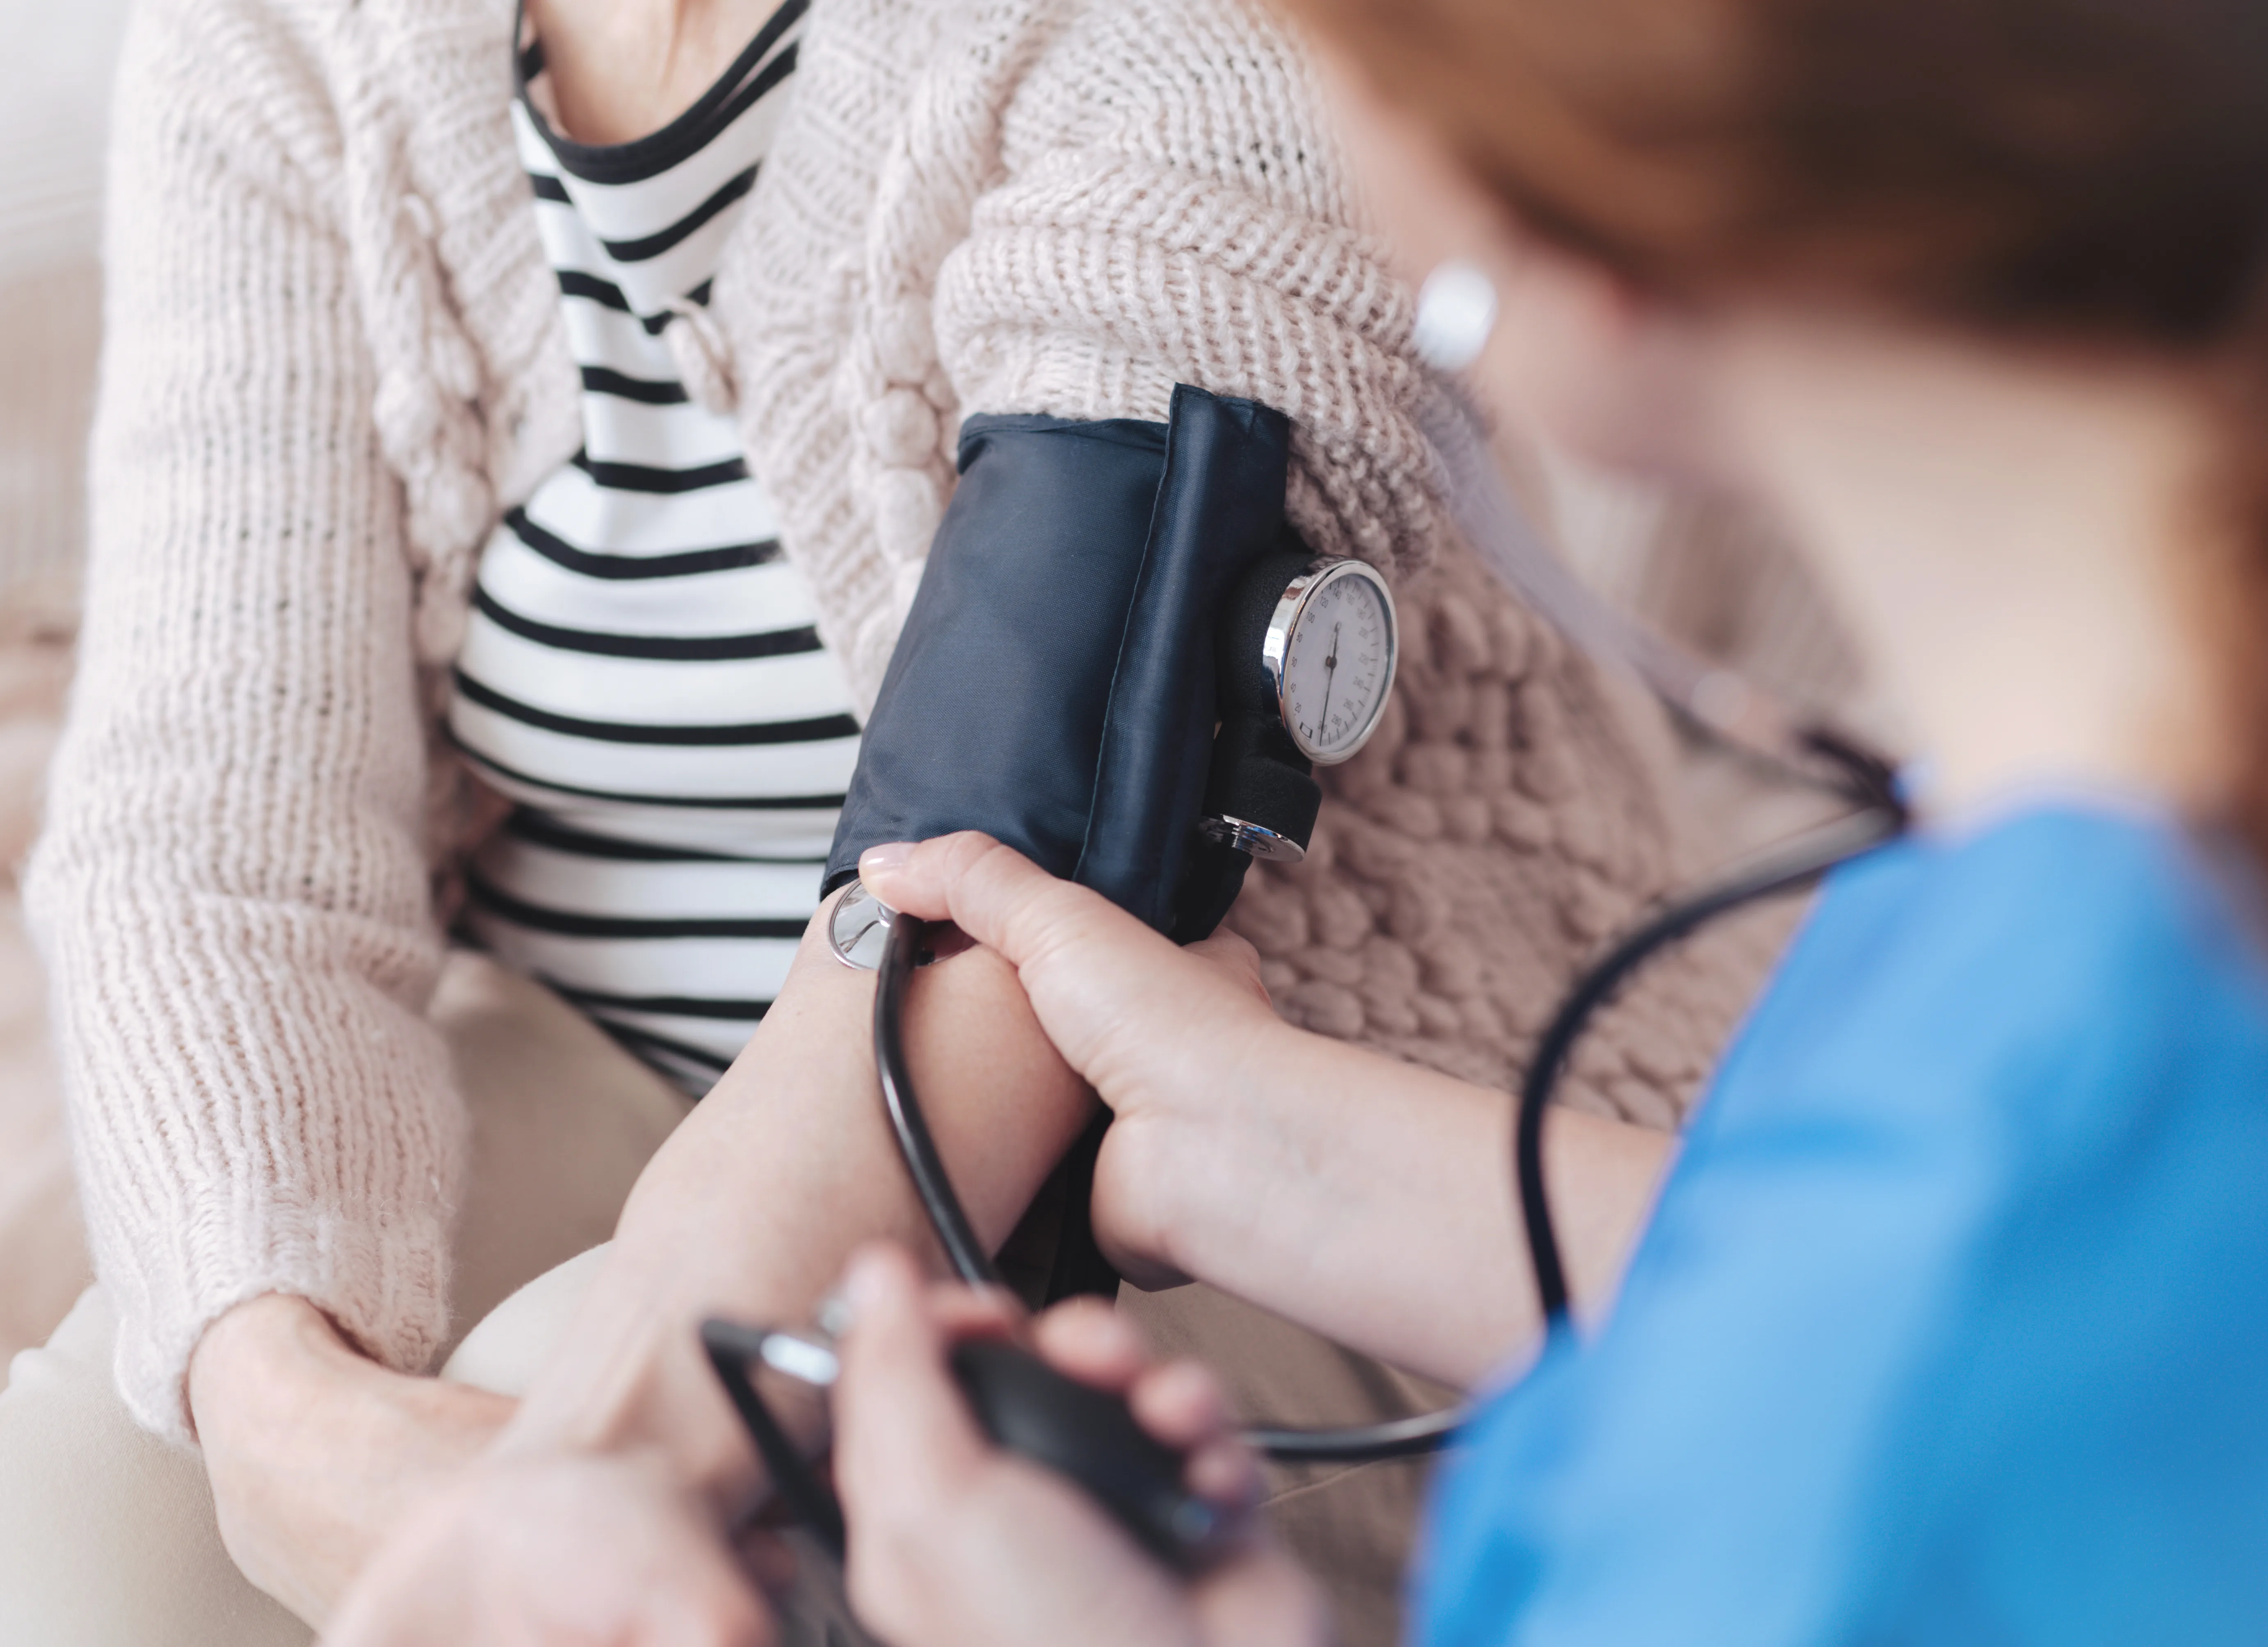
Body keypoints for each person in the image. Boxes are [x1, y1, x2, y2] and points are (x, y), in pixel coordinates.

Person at [334, 0, 2268, 1637]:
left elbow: (1948, 1368)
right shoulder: (2140, 959)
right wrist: (1292, 1144)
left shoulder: (1860, 1405)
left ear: (1578, 242)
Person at [0, 0, 1793, 1638]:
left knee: (646, 1461)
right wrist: (282, 1414)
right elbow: (207, 824)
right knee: (93, 1495)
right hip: (599, 1056)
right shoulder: (284, 41)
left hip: (1202, 1140)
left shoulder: (1209, 45)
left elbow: (1015, 848)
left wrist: (600, 1446)